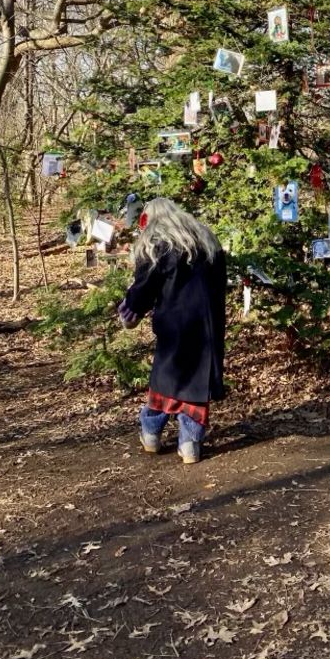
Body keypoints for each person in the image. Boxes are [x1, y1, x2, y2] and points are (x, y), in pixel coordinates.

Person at [118, 197, 226, 464]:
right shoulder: (205, 240)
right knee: (195, 386)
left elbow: (144, 285)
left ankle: (152, 435)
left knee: (165, 381)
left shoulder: (158, 244)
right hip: (206, 325)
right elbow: (220, 283)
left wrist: (131, 306)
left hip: (174, 324)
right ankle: (189, 444)